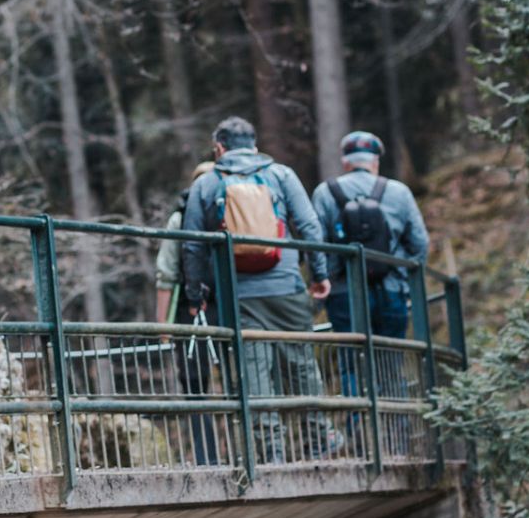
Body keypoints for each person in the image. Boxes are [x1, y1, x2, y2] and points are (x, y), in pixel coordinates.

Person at [178, 117, 339, 465]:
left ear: (219, 148)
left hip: (238, 294)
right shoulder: (281, 175)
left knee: (253, 374)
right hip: (287, 285)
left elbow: (191, 245)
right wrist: (319, 274)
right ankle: (317, 439)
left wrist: (196, 294)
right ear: (254, 144)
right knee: (301, 365)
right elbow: (309, 226)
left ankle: (271, 452)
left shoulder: (207, 183)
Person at [313, 131, 429, 340]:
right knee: (391, 352)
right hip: (391, 289)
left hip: (343, 292)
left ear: (345, 163)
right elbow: (419, 243)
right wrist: (406, 283)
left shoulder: (325, 192)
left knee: (351, 354)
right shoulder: (399, 192)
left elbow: (316, 243)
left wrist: (322, 279)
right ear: (375, 162)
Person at [154, 160, 218, 466]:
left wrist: (163, 324)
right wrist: (164, 324)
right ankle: (215, 455)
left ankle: (208, 457)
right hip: (217, 307)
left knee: (195, 384)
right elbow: (166, 273)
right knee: (207, 382)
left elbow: (165, 273)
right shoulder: (225, 217)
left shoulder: (179, 219)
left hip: (191, 312)